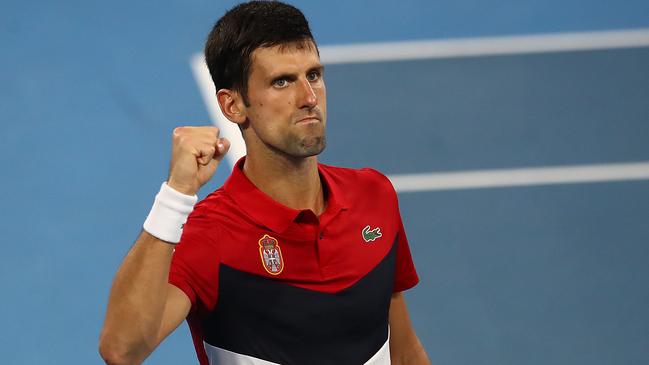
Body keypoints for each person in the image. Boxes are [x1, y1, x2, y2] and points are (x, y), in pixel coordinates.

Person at [99, 1, 431, 364]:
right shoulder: (209, 237)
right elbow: (122, 349)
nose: (308, 98)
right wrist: (175, 196)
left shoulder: (374, 196)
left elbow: (403, 353)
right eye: (282, 82)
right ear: (233, 106)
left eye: (314, 75)